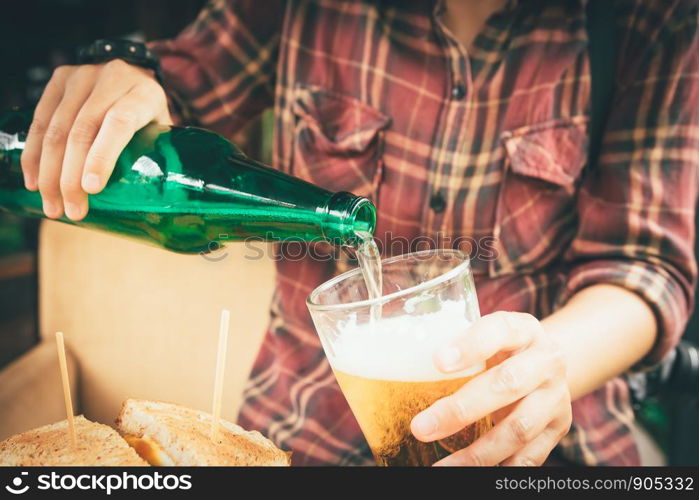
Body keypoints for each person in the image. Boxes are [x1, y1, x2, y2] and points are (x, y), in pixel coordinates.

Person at [20, 0, 698, 466]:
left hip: (534, 433)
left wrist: (545, 362)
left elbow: (642, 266)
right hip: (303, 425)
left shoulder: (652, 20)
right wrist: (126, 70)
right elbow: (178, 90)